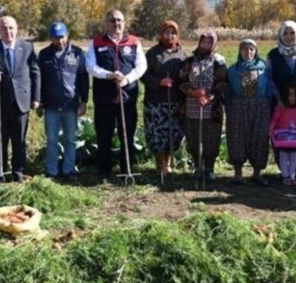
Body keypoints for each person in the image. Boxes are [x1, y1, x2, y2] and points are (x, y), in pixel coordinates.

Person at [85, 10, 147, 178]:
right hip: (104, 100)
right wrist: (109, 75)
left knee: (127, 134)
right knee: (104, 135)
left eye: (119, 20)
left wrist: (126, 80)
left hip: (127, 99)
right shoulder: (96, 42)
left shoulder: (134, 42)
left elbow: (141, 66)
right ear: (106, 23)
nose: (116, 23)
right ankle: (104, 169)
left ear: (124, 23)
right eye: (112, 20)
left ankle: (127, 168)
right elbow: (90, 66)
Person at [0, 16, 40, 182]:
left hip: (22, 101)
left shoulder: (27, 47)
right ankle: (0, 172)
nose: (8, 32)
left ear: (16, 28)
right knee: (0, 140)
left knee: (19, 140)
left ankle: (18, 172)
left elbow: (35, 72)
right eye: (4, 28)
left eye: (11, 28)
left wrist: (36, 97)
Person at [37, 22, 88, 180]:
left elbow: (83, 78)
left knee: (70, 140)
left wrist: (84, 101)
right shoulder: (44, 55)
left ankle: (69, 170)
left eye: (62, 37)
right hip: (50, 105)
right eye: (56, 37)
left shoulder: (77, 53)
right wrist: (38, 101)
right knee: (51, 140)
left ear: (67, 35)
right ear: (51, 38)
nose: (60, 41)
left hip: (70, 105)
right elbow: (38, 79)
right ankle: (51, 171)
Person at [266, 20, 296, 182]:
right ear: (280, 35)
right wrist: (278, 98)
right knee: (281, 134)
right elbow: (269, 77)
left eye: (292, 32)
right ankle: (284, 171)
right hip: (280, 103)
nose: (288, 36)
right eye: (285, 33)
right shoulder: (273, 54)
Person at [179, 29, 228, 183]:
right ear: (199, 42)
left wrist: (208, 96)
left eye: (209, 42)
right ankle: (197, 167)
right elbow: (182, 80)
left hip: (212, 107)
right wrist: (193, 93)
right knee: (193, 138)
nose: (206, 45)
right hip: (192, 105)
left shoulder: (218, 61)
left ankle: (209, 168)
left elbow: (222, 83)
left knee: (211, 139)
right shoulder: (189, 61)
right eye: (204, 41)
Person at [140, 20, 186, 177]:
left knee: (172, 135)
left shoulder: (182, 54)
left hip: (175, 101)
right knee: (157, 135)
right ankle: (160, 165)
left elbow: (186, 77)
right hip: (156, 102)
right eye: (167, 32)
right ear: (161, 34)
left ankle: (168, 163)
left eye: (173, 32)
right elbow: (143, 74)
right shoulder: (153, 53)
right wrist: (159, 82)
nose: (170, 35)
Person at [226, 38, 272, 186]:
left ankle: (257, 173)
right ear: (240, 51)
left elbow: (269, 89)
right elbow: (228, 92)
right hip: (238, 105)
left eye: (251, 49)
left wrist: (269, 106)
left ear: (256, 51)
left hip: (260, 105)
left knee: (259, 137)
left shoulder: (264, 68)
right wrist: (229, 107)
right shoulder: (233, 70)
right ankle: (238, 174)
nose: (248, 52)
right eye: (245, 49)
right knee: (237, 137)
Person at [270, 81, 296, 185]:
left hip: (295, 139)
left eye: (295, 95)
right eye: (290, 95)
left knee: (294, 157)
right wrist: (271, 129)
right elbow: (274, 119)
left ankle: (292, 176)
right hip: (282, 138)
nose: (292, 98)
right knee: (283, 156)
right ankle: (285, 177)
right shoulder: (281, 106)